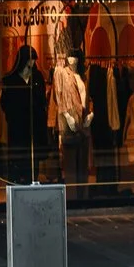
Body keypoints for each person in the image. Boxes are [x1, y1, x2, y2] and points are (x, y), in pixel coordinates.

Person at [52, 45, 93, 186]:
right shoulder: (62, 74)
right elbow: (58, 99)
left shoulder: (84, 76)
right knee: (70, 166)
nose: (72, 59)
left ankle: (83, 195)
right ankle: (71, 196)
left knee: (82, 167)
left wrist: (91, 113)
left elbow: (89, 98)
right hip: (70, 125)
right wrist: (67, 116)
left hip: (84, 124)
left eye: (75, 56)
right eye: (69, 56)